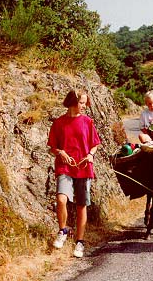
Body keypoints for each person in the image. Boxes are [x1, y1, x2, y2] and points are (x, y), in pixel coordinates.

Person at [47, 89, 101, 258]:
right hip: (64, 167)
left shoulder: (87, 121)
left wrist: (90, 155)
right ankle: (63, 231)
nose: (85, 106)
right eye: (82, 102)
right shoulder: (58, 123)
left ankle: (79, 242)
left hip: (84, 168)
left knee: (81, 206)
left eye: (86, 103)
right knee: (61, 199)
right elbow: (52, 148)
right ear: (72, 102)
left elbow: (95, 144)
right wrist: (60, 152)